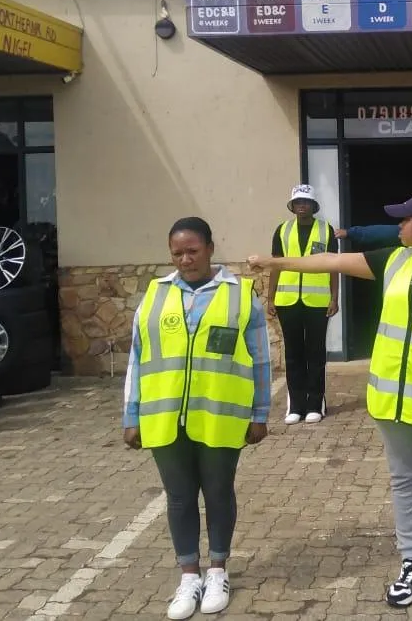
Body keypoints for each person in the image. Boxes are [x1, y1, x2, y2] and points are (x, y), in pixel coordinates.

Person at [249, 191, 412, 612]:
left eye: (405, 219)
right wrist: (274, 262)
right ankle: (411, 563)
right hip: (391, 400)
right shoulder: (394, 260)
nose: (399, 226)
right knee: (403, 481)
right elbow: (331, 262)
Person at [122, 217, 270, 620]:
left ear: (210, 248)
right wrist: (131, 414)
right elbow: (137, 357)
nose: (185, 259)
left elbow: (260, 360)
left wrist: (259, 413)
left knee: (219, 493)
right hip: (164, 416)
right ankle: (189, 575)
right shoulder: (155, 294)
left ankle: (218, 570)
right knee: (179, 497)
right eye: (177, 253)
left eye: (192, 251)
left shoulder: (240, 295)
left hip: (220, 415)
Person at [268, 184, 338, 425]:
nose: (302, 206)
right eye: (298, 202)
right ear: (292, 206)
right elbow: (276, 265)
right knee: (293, 353)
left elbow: (333, 266)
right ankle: (296, 406)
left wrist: (334, 297)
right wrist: (271, 297)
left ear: (313, 205)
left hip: (317, 302)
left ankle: (315, 404)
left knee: (315, 354)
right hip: (288, 301)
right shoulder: (282, 230)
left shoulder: (326, 230)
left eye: (306, 202)